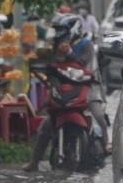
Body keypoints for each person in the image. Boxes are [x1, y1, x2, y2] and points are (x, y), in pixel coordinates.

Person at [25, 14, 110, 171]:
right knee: (47, 125)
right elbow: (52, 65)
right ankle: (34, 162)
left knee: (99, 117)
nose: (60, 35)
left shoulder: (86, 45)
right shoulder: (57, 46)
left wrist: (69, 52)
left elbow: (81, 63)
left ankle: (106, 144)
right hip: (65, 89)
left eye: (63, 30)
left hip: (87, 86)